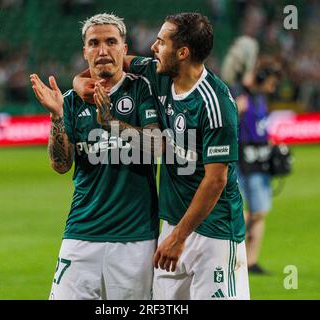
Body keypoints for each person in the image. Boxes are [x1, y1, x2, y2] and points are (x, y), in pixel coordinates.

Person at [74, 12, 250, 300]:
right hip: (171, 225)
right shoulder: (159, 76)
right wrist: (80, 81)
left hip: (213, 232)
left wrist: (178, 238)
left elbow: (215, 181)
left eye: (160, 42)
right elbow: (113, 62)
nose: (153, 48)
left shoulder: (216, 104)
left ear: (182, 53)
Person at [30, 13, 161, 300]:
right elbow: (61, 165)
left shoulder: (142, 89)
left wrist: (110, 122)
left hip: (135, 240)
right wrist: (57, 117)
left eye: (111, 42)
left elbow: (156, 147)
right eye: (95, 43)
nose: (103, 50)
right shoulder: (70, 101)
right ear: (85, 51)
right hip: (81, 234)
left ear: (124, 49)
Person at [231, 57, 282, 274]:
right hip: (240, 159)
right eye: (271, 81)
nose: (273, 87)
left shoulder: (260, 99)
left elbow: (260, 127)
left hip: (258, 159)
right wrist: (235, 109)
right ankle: (236, 257)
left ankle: (251, 261)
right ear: (261, 77)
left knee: (260, 212)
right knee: (236, 210)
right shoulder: (238, 95)